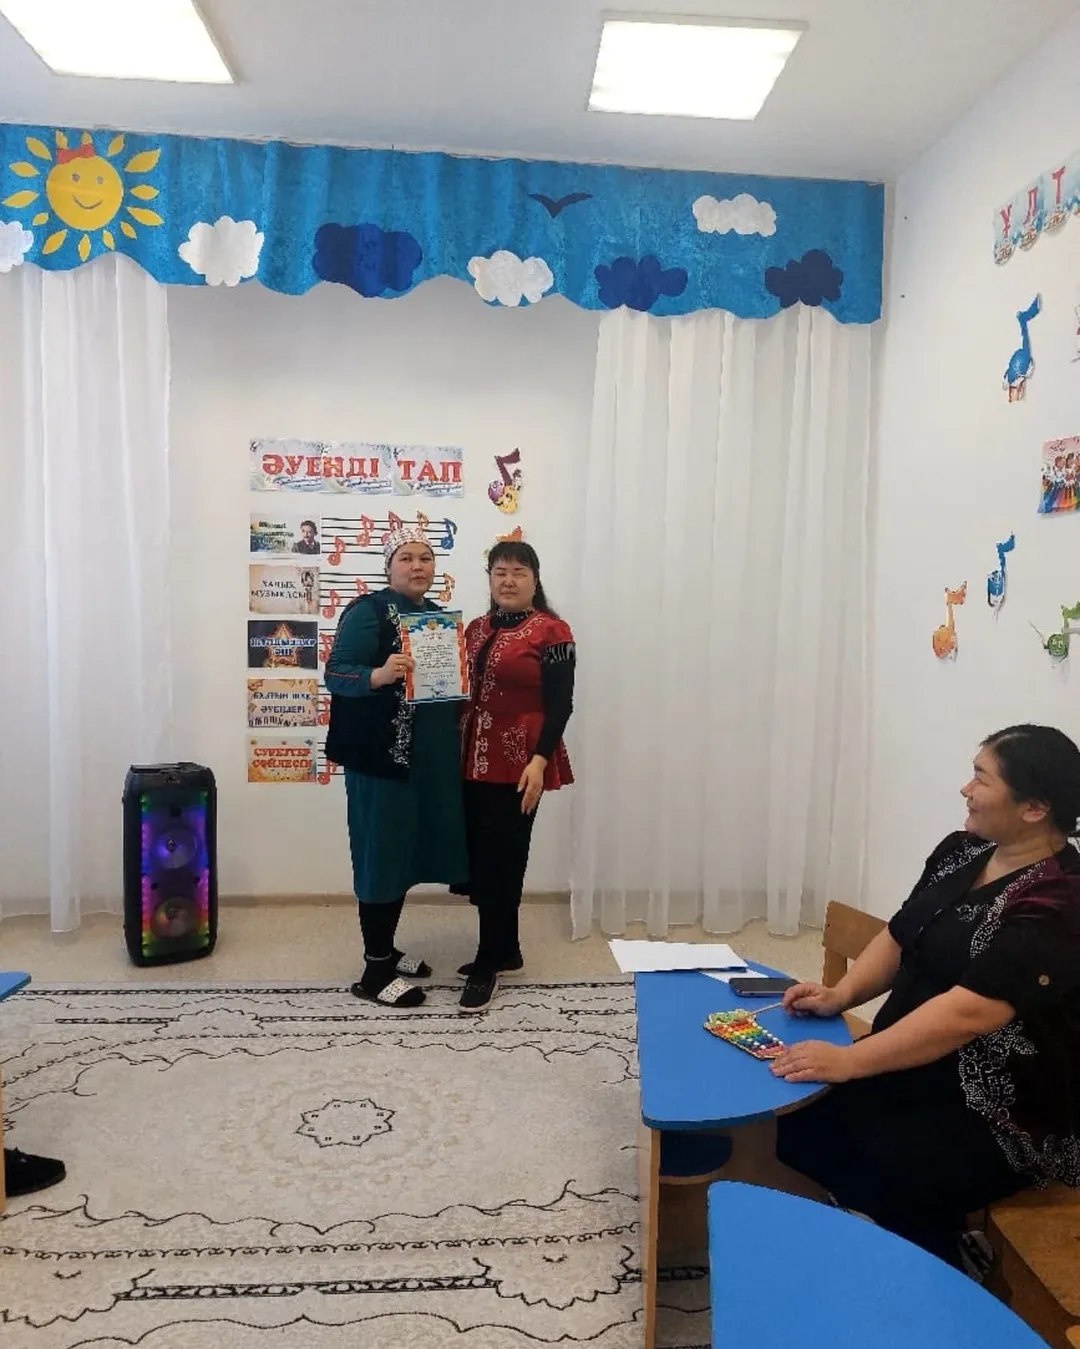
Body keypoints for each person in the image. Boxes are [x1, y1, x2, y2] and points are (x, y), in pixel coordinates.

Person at [771, 724, 1080, 1268]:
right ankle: (872, 1234)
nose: (965, 789)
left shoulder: (1060, 899)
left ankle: (942, 1268)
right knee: (799, 1121)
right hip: (912, 1059)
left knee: (891, 1162)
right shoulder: (964, 849)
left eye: (981, 778)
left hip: (999, 1106)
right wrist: (841, 995)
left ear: (1034, 808)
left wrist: (851, 1061)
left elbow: (969, 1013)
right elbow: (902, 932)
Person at [324, 524, 467, 1007]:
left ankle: (387, 947)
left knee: (405, 854)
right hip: (380, 759)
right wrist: (378, 675)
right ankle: (375, 970)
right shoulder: (367, 611)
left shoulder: (437, 619)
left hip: (427, 763)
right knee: (382, 857)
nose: (417, 566)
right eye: (406, 557)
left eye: (425, 557)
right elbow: (336, 672)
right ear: (389, 567)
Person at [457, 541, 575, 1012]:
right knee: (479, 854)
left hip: (520, 760)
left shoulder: (552, 631)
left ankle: (488, 960)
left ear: (534, 579)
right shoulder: (475, 628)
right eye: (500, 571)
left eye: (518, 572)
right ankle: (507, 949)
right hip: (471, 756)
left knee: (503, 856)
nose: (508, 580)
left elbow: (561, 704)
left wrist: (540, 760)